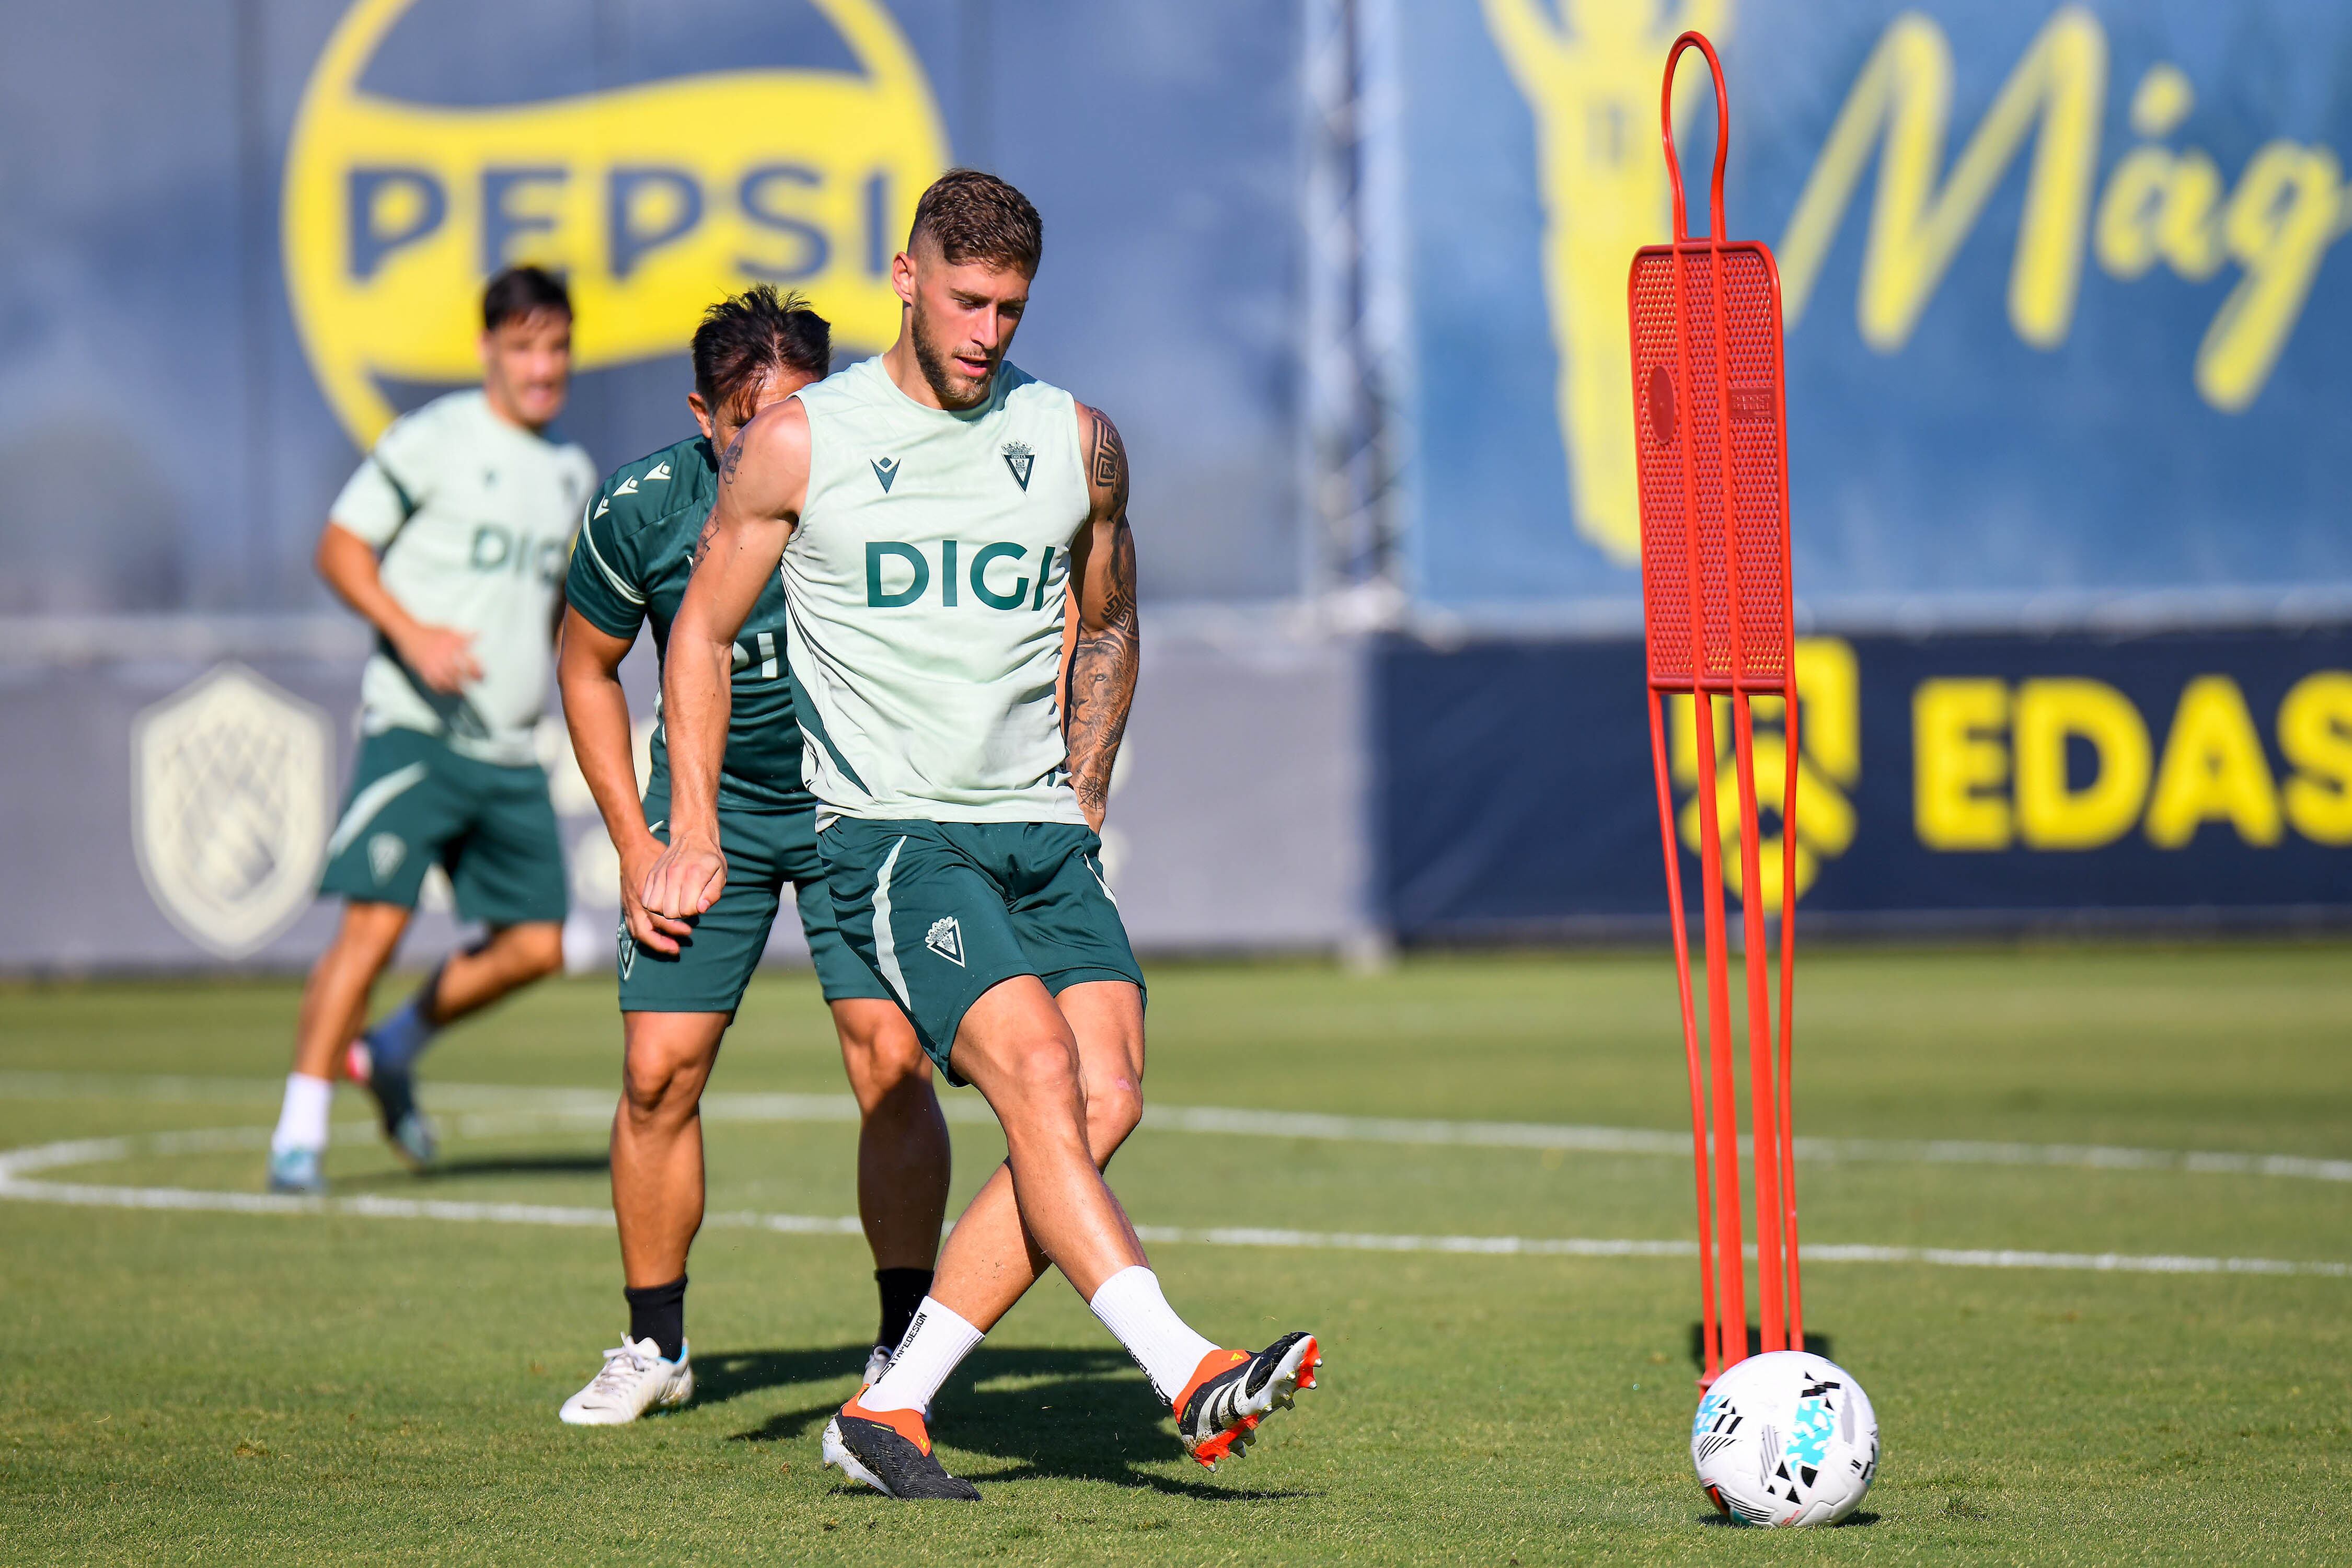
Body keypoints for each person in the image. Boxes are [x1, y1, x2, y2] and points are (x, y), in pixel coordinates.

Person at [644, 170, 1320, 1500]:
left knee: (1109, 1095)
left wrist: (1088, 785)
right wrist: (696, 826)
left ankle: (889, 1408)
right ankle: (1182, 1363)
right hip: (896, 838)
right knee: (1031, 1073)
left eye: (1011, 308)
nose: (987, 332)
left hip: (1042, 837)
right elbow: (700, 633)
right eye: (966, 301)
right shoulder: (803, 442)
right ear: (906, 277)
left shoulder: (1074, 439)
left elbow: (1111, 614)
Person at [552, 287, 953, 1424]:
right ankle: (654, 1343)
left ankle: (901, 1345)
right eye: (743, 416)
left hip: (857, 809)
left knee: (892, 1064)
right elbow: (586, 669)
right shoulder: (640, 509)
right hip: (705, 819)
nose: (770, 435)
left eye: (796, 408)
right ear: (702, 415)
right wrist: (640, 846)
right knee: (655, 1074)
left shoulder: (887, 480)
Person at [267, 266, 594, 1195]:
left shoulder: (571, 470)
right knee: (373, 930)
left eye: (557, 346)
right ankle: (300, 1134)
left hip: (506, 746)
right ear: (490, 348)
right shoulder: (437, 437)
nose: (543, 366)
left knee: (538, 943)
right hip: (418, 731)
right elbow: (340, 546)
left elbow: (542, 616)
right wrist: (413, 635)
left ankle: (393, 1049)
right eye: (525, 346)